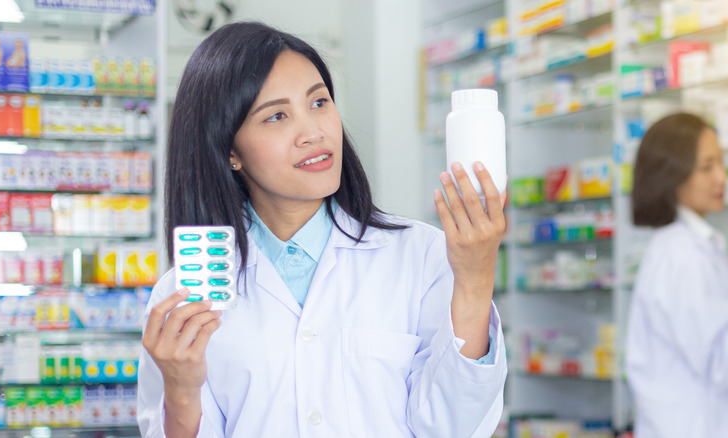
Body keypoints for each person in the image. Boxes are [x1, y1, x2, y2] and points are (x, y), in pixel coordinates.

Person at [137, 21, 508, 438]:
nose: (314, 132)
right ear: (229, 151)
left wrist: (476, 283)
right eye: (277, 115)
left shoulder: (422, 256)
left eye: (319, 103)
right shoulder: (187, 294)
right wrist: (181, 392)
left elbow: (456, 428)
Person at [626, 112, 728, 438]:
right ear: (672, 175)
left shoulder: (695, 246)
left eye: (722, 164)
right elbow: (721, 362)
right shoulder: (680, 255)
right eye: (707, 167)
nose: (722, 177)